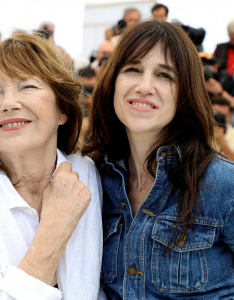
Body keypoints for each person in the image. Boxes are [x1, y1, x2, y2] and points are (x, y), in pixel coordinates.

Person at [0, 33, 103, 299]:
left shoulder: (88, 173)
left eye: (27, 86)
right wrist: (54, 229)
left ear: (64, 110)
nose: (9, 103)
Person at [83, 20, 234, 299]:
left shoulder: (224, 183)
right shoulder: (92, 180)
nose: (145, 86)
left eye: (164, 75)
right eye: (133, 70)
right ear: (113, 81)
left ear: (185, 92)